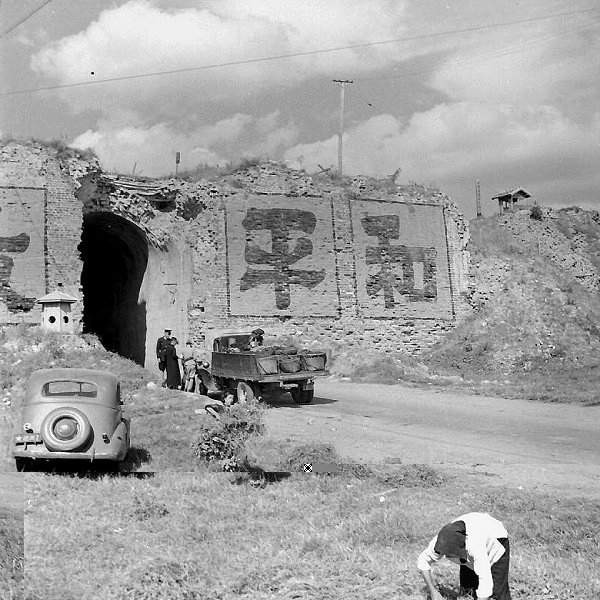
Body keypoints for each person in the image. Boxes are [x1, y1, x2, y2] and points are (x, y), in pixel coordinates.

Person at [417, 512, 511, 600]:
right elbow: (423, 561)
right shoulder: (441, 540)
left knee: (497, 594)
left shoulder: (475, 547)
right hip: (471, 530)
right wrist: (433, 591)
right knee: (468, 592)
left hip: (496, 536)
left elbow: (485, 579)